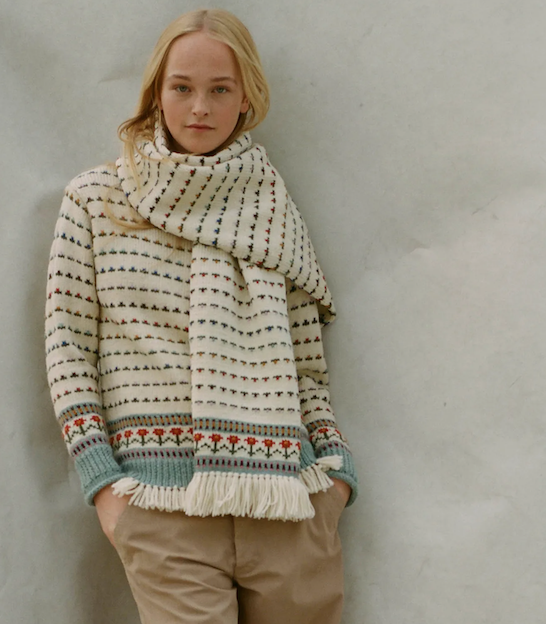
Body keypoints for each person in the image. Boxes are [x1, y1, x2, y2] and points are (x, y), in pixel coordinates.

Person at [45, 8, 357, 624]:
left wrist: (334, 474)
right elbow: (69, 351)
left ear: (246, 99)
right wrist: (105, 487)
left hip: (286, 507)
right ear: (156, 92)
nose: (199, 108)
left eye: (220, 90)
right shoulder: (96, 200)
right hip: (163, 508)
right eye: (182, 87)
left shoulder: (270, 207)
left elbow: (307, 365)